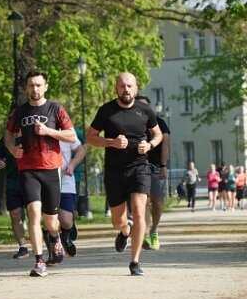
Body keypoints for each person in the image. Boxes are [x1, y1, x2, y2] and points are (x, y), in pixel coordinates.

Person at [86, 72, 162, 276]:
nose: (126, 89)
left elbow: (158, 134)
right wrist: (111, 142)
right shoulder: (106, 111)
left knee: (139, 211)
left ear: (136, 89)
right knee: (118, 220)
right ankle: (124, 230)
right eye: (122, 86)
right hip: (115, 171)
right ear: (116, 89)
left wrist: (150, 144)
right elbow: (90, 137)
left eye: (129, 86)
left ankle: (135, 262)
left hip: (139, 167)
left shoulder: (145, 110)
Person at [4, 70, 77, 277]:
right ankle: (39, 261)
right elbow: (8, 134)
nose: (34, 89)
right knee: (34, 213)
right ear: (26, 88)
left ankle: (55, 237)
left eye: (38, 85)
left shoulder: (56, 109)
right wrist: (12, 149)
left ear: (45, 86)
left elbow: (71, 136)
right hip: (27, 169)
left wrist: (48, 131)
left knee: (51, 221)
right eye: (31, 85)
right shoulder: (20, 112)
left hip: (51, 169)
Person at [135, 95, 170, 251]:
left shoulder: (159, 123)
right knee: (143, 202)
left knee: (156, 201)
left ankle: (154, 230)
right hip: (137, 167)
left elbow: (165, 143)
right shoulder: (132, 124)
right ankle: (145, 233)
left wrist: (163, 165)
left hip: (155, 166)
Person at [45, 135, 85, 265]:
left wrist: (72, 165)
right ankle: (53, 253)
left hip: (66, 181)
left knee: (67, 221)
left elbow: (81, 149)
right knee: (49, 221)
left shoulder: (66, 131)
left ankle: (65, 237)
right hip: (44, 181)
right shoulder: (38, 129)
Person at [0, 137, 28, 259]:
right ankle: (23, 247)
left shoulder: (30, 134)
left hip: (31, 179)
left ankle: (39, 245)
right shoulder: (5, 140)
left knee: (33, 213)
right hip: (12, 181)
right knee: (15, 214)